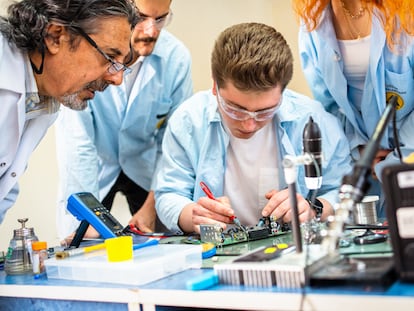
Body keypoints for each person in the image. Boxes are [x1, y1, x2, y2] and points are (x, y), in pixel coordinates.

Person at [154, 22, 352, 234]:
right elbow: (168, 193)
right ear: (215, 86)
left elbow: (344, 193)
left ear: (282, 94)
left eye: (264, 112)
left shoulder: (315, 121)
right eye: (236, 110)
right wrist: (190, 214)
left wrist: (313, 209)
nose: (249, 124)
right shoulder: (188, 120)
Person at [55, 0, 193, 240]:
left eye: (160, 19)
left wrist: (152, 207)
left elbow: (172, 143)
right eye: (141, 17)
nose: (151, 31)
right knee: (84, 243)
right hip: (96, 165)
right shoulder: (88, 51)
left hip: (146, 167)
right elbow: (79, 144)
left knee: (160, 244)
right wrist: (86, 218)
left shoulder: (176, 58)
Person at [0, 0, 137, 224]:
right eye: (110, 57)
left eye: (122, 64)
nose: (117, 78)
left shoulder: (45, 99)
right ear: (55, 36)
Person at [292, 0, 414, 218]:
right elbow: (328, 106)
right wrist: (358, 149)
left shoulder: (406, 13)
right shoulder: (313, 20)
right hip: (358, 160)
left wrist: (397, 154)